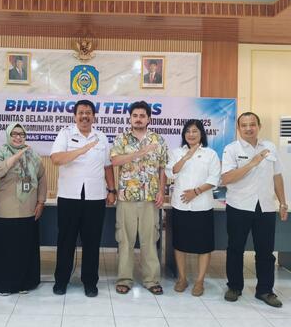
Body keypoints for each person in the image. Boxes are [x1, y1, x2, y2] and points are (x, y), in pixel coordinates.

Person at [222, 112, 288, 308]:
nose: (248, 128)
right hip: (239, 206)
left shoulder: (270, 147)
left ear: (259, 126)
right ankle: (234, 287)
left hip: (265, 207)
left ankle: (265, 290)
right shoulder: (231, 149)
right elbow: (226, 178)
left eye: (252, 124)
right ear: (238, 128)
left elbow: (277, 176)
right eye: (244, 125)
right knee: (235, 249)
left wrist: (283, 203)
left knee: (265, 251)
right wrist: (252, 163)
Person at [50, 99, 116, 297]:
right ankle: (61, 281)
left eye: (88, 113)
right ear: (75, 116)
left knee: (92, 242)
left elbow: (107, 166)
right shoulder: (65, 134)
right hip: (69, 196)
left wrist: (112, 190)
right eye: (81, 112)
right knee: (66, 241)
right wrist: (82, 150)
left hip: (95, 197)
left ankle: (90, 282)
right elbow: (56, 159)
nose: (85, 116)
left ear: (94, 116)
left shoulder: (101, 137)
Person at [110, 100, 168, 295]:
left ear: (148, 119)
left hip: (150, 198)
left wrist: (161, 191)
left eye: (142, 116)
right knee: (125, 240)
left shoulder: (158, 140)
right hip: (126, 197)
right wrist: (139, 153)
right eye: (135, 115)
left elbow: (163, 168)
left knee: (149, 240)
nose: (138, 119)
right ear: (130, 118)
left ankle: (151, 280)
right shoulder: (121, 139)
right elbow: (115, 161)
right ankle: (125, 279)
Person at [0, 123, 47, 295]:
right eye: (14, 134)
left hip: (28, 209)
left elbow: (42, 178)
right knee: (5, 250)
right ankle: (4, 284)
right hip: (5, 210)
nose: (18, 137)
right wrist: (16, 156)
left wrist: (41, 202)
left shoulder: (33, 155)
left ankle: (25, 282)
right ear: (8, 135)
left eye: (21, 134)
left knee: (24, 249)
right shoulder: (2, 152)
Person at [165, 119, 221, 296]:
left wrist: (196, 192)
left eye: (195, 131)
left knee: (204, 245)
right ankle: (182, 278)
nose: (191, 134)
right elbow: (170, 172)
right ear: (184, 134)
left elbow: (214, 178)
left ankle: (199, 281)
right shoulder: (176, 152)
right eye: (188, 131)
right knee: (180, 244)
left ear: (201, 133)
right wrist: (186, 157)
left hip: (202, 205)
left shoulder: (210, 154)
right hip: (181, 205)